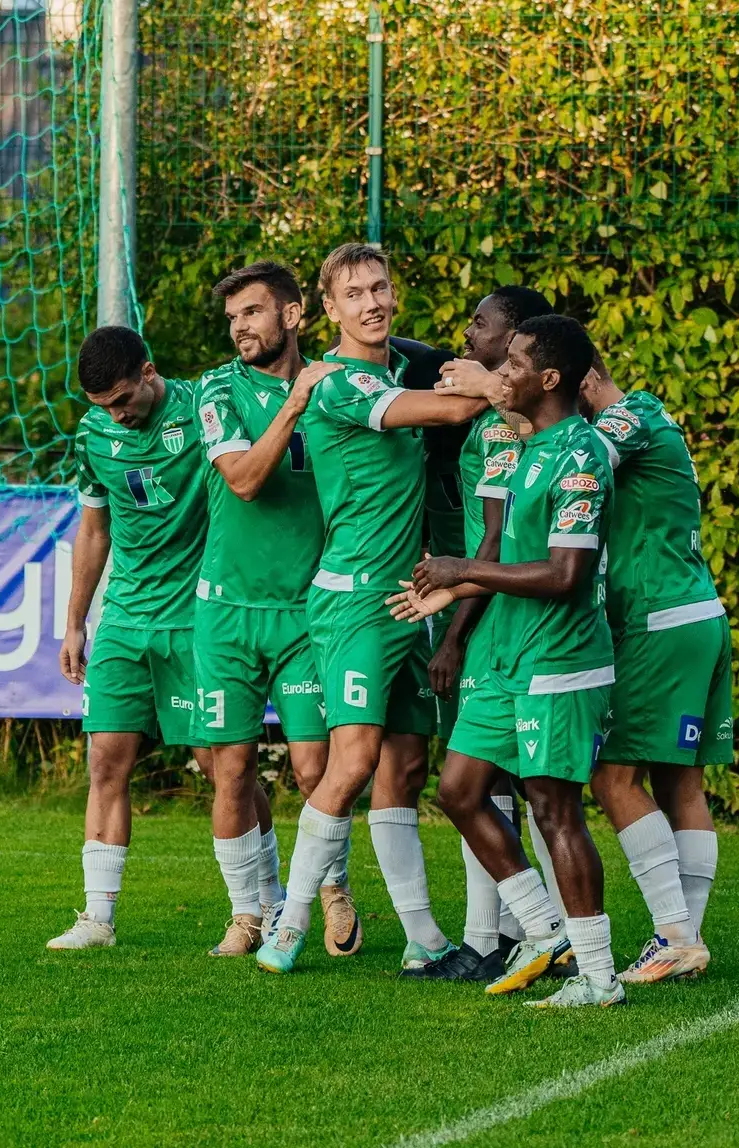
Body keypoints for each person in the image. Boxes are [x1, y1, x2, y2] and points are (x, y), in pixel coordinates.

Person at [254, 242, 488, 975]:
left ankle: (422, 941)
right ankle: (287, 929)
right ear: (329, 309)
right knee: (351, 763)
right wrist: (498, 376)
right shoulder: (335, 386)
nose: (372, 303)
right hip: (352, 602)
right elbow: (453, 406)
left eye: (380, 288)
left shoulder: (390, 370)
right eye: (354, 293)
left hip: (405, 599)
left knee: (405, 767)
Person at [391, 314, 624, 1008]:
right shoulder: (523, 449)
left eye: (515, 364)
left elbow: (564, 576)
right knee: (458, 790)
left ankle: (599, 976)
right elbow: (502, 553)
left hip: (559, 657)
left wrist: (462, 567)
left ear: (548, 380)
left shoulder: (580, 455)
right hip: (503, 655)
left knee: (555, 810)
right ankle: (544, 928)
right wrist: (452, 593)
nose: (502, 375)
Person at [192, 261, 361, 957]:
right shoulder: (217, 390)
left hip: (305, 612)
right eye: (233, 318)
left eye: (253, 313)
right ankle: (248, 912)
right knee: (228, 768)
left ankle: (331, 888)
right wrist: (294, 403)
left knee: (315, 768)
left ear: (293, 315)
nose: (240, 329)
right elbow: (243, 481)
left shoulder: (338, 385)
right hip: (226, 612)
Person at [49, 325, 223, 949]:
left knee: (219, 764)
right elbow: (94, 531)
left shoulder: (206, 410)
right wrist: (75, 621)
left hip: (197, 617)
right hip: (124, 619)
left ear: (149, 372)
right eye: (104, 407)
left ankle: (262, 904)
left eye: (123, 399)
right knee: (105, 762)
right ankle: (97, 919)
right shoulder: (92, 434)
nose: (116, 415)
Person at [404, 285, 556, 982]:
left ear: (517, 337)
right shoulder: (494, 417)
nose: (467, 334)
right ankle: (493, 937)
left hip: (512, 618)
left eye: (482, 324)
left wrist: (454, 634)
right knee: (486, 778)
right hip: (490, 607)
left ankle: (548, 932)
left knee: (531, 784)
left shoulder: (527, 421)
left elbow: (499, 544)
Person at [580, 347, 726, 983]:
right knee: (678, 783)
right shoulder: (647, 414)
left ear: (584, 377)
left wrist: (500, 400)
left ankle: (672, 934)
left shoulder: (628, 417)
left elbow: (573, 460)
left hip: (659, 620)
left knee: (612, 780)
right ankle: (683, 941)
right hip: (693, 612)